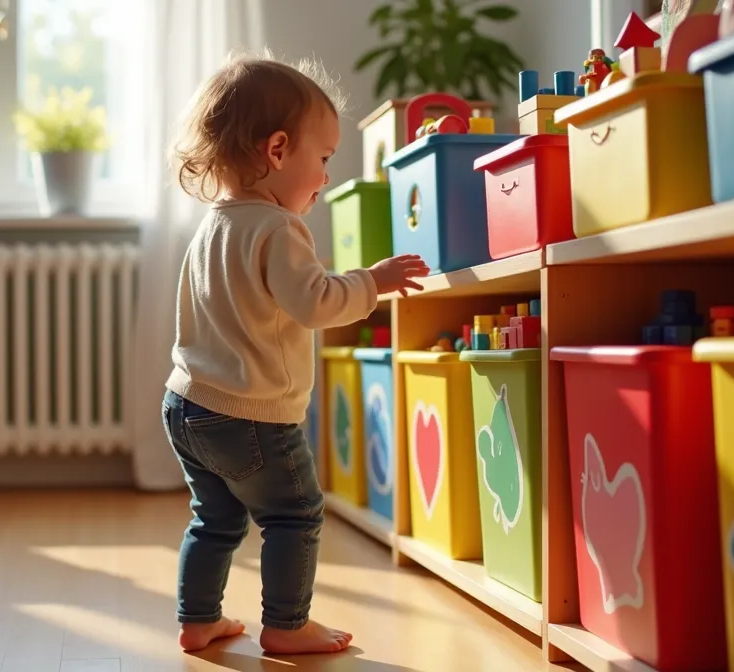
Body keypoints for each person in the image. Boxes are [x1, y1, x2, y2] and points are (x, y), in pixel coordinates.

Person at [161, 52, 430, 655]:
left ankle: (198, 618)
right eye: (325, 158)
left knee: (216, 519)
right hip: (253, 416)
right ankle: (285, 625)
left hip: (187, 406)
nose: (327, 177)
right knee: (293, 516)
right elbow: (314, 302)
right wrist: (372, 282)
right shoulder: (279, 229)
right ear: (278, 151)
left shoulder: (213, 225)